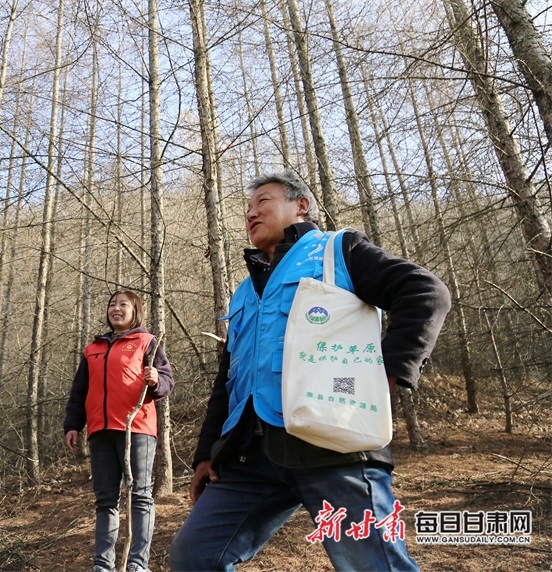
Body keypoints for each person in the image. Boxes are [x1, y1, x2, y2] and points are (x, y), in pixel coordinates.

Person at [170, 170, 450, 571]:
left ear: (301, 206)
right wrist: (206, 455)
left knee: (373, 565)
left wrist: (384, 375)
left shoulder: (338, 251)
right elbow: (228, 378)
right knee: (194, 556)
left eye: (262, 202)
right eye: (247, 209)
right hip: (251, 456)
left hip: (334, 444)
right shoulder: (244, 292)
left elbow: (426, 292)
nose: (251, 214)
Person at [63, 290, 175, 572]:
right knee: (105, 500)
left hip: (136, 427)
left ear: (134, 311)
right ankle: (103, 565)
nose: (116, 309)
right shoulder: (93, 348)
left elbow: (167, 379)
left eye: (123, 305)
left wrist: (155, 380)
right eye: (112, 304)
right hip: (100, 430)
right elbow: (80, 390)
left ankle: (138, 564)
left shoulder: (147, 342)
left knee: (140, 494)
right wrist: (73, 425)